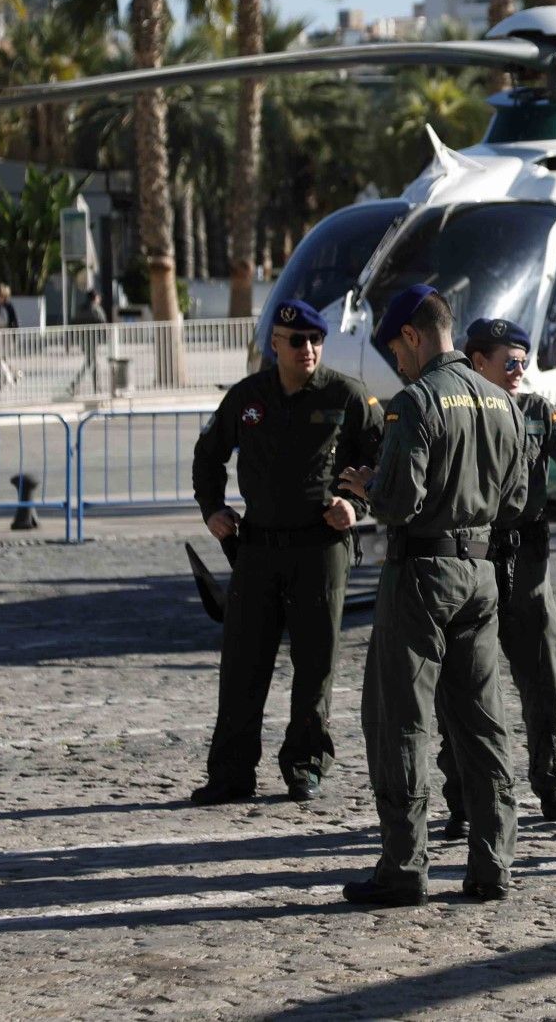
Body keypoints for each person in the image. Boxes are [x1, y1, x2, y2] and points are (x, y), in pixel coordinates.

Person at [339, 285, 528, 909]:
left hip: (421, 574)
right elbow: (517, 501)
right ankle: (493, 861)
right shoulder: (503, 402)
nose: (398, 362)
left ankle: (403, 866)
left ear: (415, 335)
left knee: (402, 720)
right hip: (479, 572)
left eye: (397, 348)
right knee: (481, 723)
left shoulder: (416, 402)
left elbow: (397, 503)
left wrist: (369, 486)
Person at [189, 300, 384, 806]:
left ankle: (305, 766)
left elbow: (383, 455)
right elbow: (208, 453)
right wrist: (212, 508)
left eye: (316, 340)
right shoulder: (248, 397)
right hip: (258, 547)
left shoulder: (346, 394)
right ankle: (231, 773)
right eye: (296, 341)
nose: (309, 349)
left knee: (315, 663)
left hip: (321, 548)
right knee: (242, 663)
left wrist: (356, 503)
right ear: (273, 344)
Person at [435, 317, 556, 839]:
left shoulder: (536, 412)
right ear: (477, 361)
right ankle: (462, 795)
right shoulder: (454, 409)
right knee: (462, 684)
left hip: (526, 567)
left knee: (544, 677)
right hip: (473, 560)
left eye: (524, 362)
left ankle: (548, 780)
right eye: (509, 362)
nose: (519, 371)